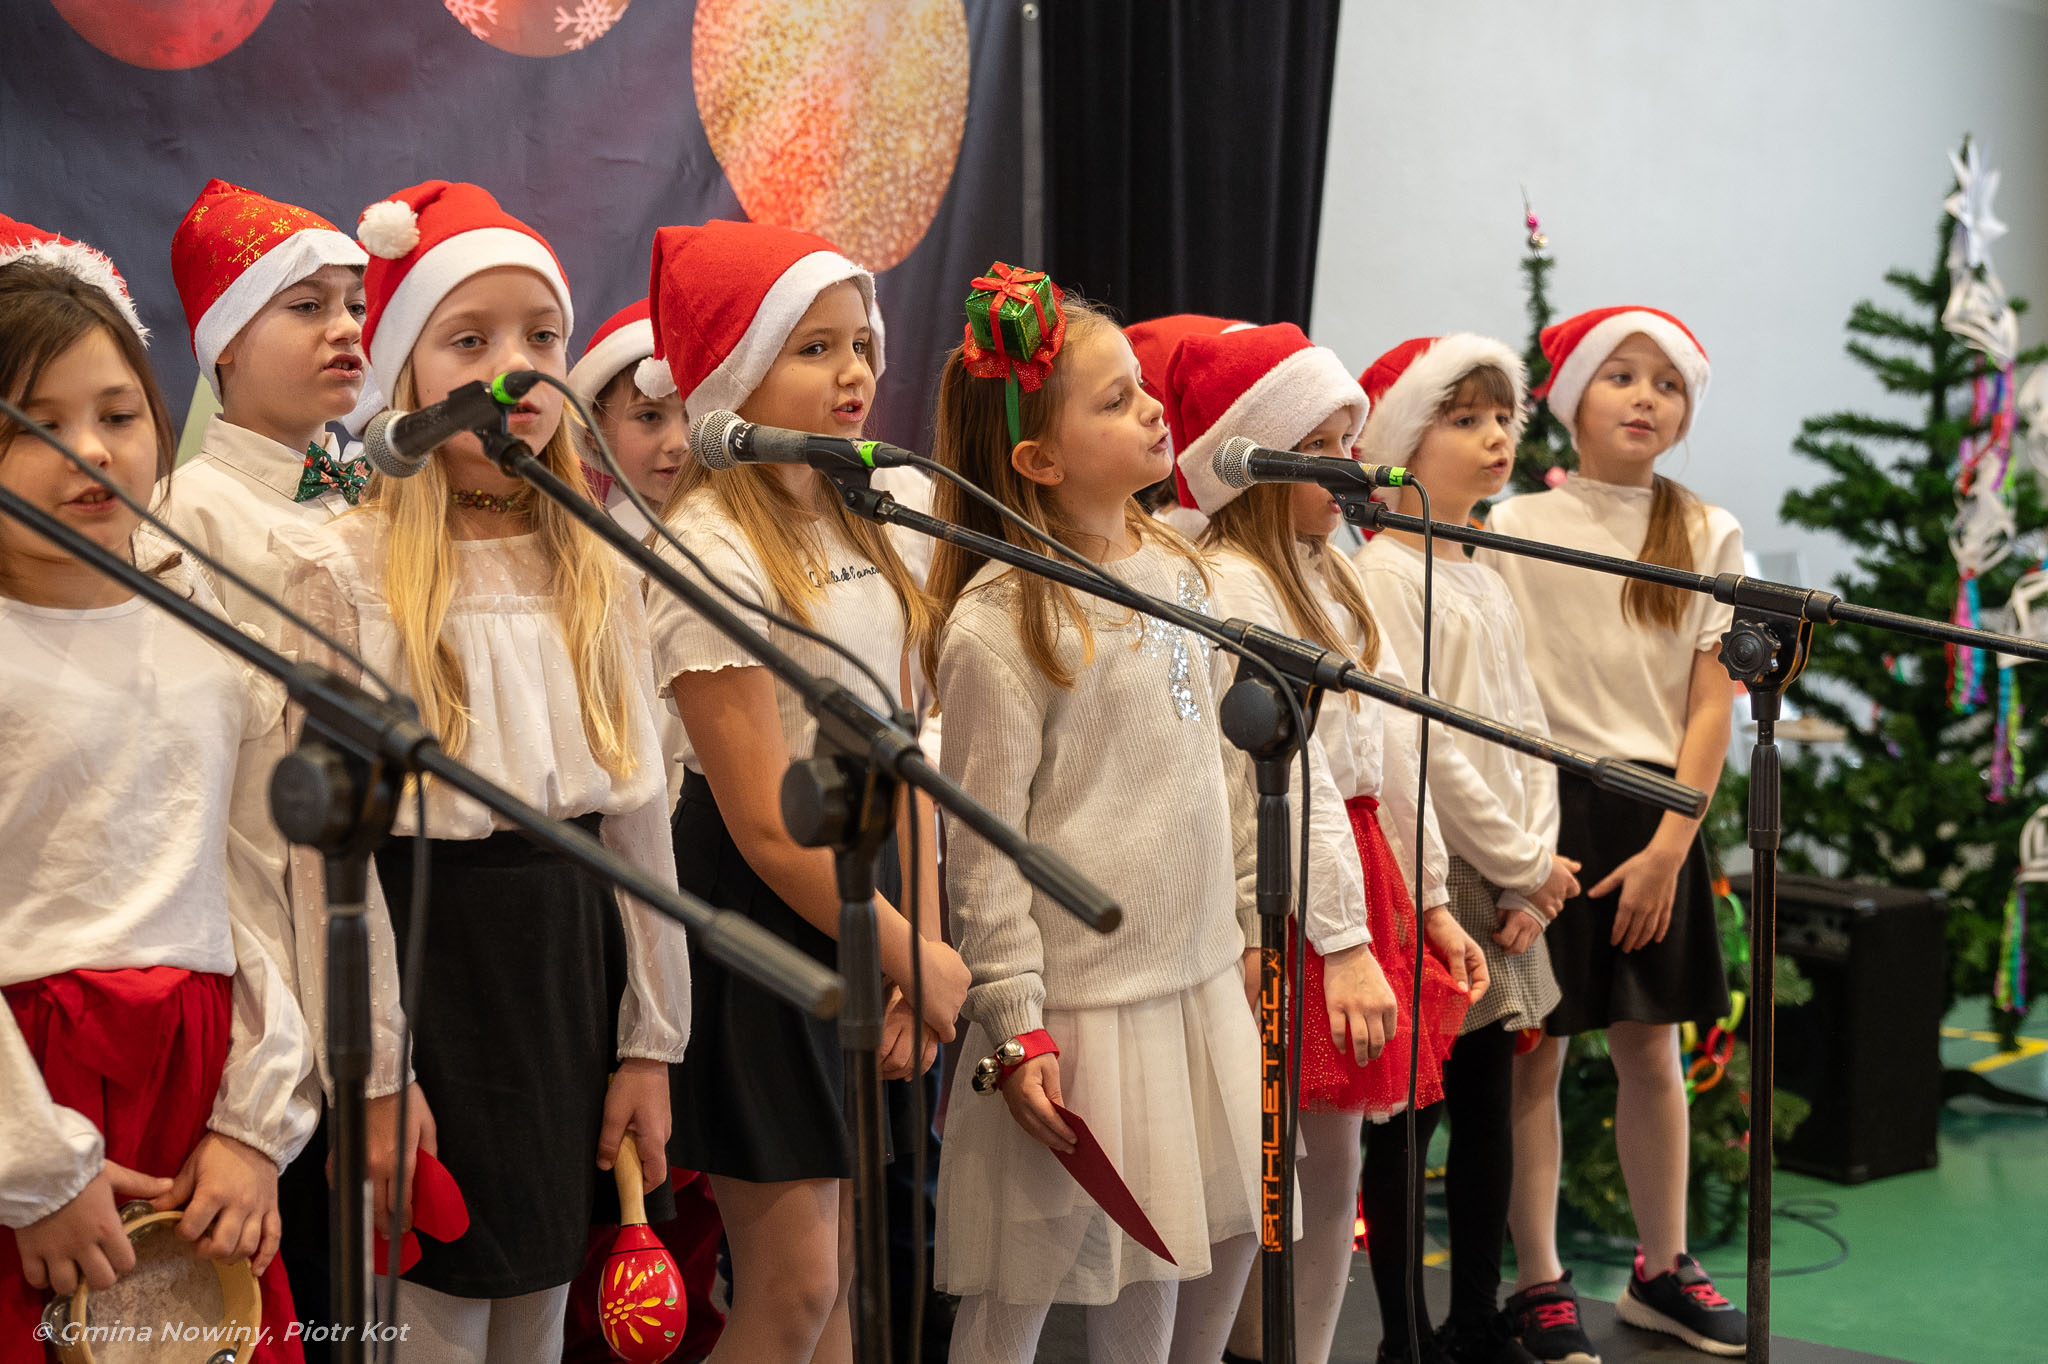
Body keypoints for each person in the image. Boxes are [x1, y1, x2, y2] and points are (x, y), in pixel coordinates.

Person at [275, 180, 690, 1363]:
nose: (517, 371)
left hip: (566, 967)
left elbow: (638, 821)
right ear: (407, 373)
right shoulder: (343, 572)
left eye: (541, 339)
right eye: (470, 341)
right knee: (438, 1318)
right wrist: (374, 1070)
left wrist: (651, 1040)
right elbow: (328, 859)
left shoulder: (598, 566)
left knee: (538, 1314)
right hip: (426, 971)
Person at [926, 268, 1263, 1364]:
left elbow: (1224, 764)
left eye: (1141, 388)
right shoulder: (1000, 621)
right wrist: (1013, 1016)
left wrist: (1246, 923)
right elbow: (982, 848)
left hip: (1193, 978)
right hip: (1078, 1009)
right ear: (1038, 460)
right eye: (1115, 401)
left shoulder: (1181, 571)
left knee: (1160, 1262)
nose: (1153, 410)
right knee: (1019, 1286)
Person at [642, 219, 962, 1364]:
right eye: (814, 347)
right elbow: (761, 820)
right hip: (768, 911)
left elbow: (905, 752)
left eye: (859, 343)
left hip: (874, 897)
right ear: (736, 373)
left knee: (850, 1281)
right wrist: (902, 949)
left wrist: (920, 945)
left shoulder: (869, 513)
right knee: (793, 1285)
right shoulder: (708, 546)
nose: (854, 372)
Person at [0, 249, 315, 1364]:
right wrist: (32, 1167)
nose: (90, 451)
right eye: (37, 423)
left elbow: (253, 893)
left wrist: (255, 1124)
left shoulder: (209, 640)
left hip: (197, 1084)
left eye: (118, 413)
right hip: (29, 1084)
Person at [1167, 321, 1485, 1364]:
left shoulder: (1330, 567)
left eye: (1351, 440)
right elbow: (1287, 774)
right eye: (1322, 445)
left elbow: (1388, 744)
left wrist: (1429, 897)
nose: (1350, 466)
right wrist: (1340, 943)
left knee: (1331, 1163)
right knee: (1260, 1165)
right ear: (1256, 459)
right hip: (1288, 884)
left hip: (1357, 864)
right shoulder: (1229, 582)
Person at [1481, 307, 1746, 1361]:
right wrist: (1516, 848)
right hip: (1543, 811)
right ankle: (1538, 1280)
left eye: (1666, 383)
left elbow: (1710, 702)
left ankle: (1662, 1268)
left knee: (1651, 1049)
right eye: (1620, 375)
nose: (1645, 397)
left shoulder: (1707, 532)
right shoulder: (1511, 525)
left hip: (1656, 815)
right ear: (1570, 398)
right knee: (1533, 1054)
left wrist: (1672, 845)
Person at [1355, 333, 1578, 1364]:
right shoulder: (1386, 574)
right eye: (1464, 419)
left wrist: (1536, 864)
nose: (1495, 438)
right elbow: (1424, 746)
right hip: (1434, 868)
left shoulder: (1480, 572)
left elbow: (1527, 726)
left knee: (1490, 1100)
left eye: (1502, 419)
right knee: (1412, 1114)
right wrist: (1518, 861)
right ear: (1404, 439)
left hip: (1510, 867)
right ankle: (1404, 1337)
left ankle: (1477, 1318)